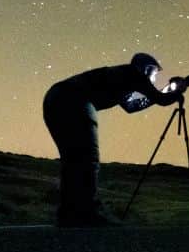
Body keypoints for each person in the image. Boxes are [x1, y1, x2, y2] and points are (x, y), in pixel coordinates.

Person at [42, 52, 181, 227]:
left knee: (74, 160)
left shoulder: (122, 77)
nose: (154, 78)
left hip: (56, 98)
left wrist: (165, 92)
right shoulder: (134, 74)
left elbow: (131, 106)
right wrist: (178, 90)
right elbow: (160, 100)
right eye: (153, 73)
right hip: (75, 100)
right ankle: (87, 212)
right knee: (87, 159)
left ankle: (69, 214)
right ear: (146, 69)